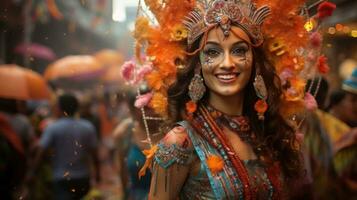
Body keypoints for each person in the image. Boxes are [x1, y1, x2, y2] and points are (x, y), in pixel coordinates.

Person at [128, 0, 329, 199]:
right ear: (198, 66)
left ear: (256, 63)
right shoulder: (180, 143)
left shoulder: (268, 132)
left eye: (239, 50)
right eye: (212, 52)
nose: (227, 63)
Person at [26, 93, 100, 200]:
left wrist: (32, 173)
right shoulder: (87, 127)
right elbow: (94, 153)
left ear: (59, 108)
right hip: (83, 177)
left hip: (61, 178)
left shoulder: (53, 128)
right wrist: (98, 174)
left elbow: (41, 151)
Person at [113, 89, 161, 200]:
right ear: (132, 110)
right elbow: (122, 171)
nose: (151, 112)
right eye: (145, 108)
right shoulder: (125, 133)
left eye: (154, 105)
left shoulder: (172, 132)